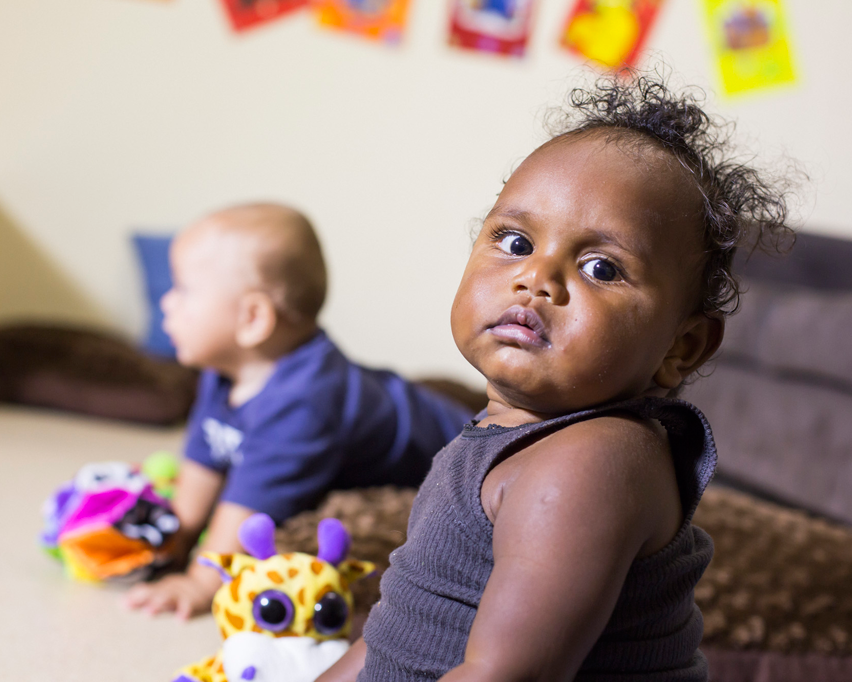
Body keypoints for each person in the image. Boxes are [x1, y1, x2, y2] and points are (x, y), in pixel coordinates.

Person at [318, 74, 795, 682]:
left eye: (601, 267)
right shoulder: (504, 433)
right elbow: (404, 621)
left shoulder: (593, 461)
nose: (536, 278)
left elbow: (507, 674)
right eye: (514, 241)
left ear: (682, 347)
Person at [124, 203, 473, 619]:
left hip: (450, 445)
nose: (167, 302)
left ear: (252, 318)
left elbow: (250, 505)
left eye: (183, 289)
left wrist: (202, 580)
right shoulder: (222, 372)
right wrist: (173, 537)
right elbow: (204, 459)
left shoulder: (302, 402)